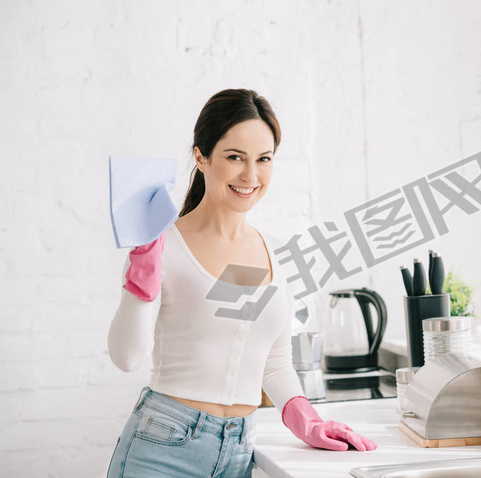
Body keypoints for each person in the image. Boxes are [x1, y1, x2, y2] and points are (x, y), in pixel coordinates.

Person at [106, 88, 377, 478]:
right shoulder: (162, 245)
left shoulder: (267, 252)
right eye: (235, 157)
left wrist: (307, 419)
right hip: (162, 447)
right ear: (201, 156)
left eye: (263, 159)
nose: (251, 175)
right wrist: (141, 274)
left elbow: (270, 360)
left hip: (236, 452)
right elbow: (127, 357)